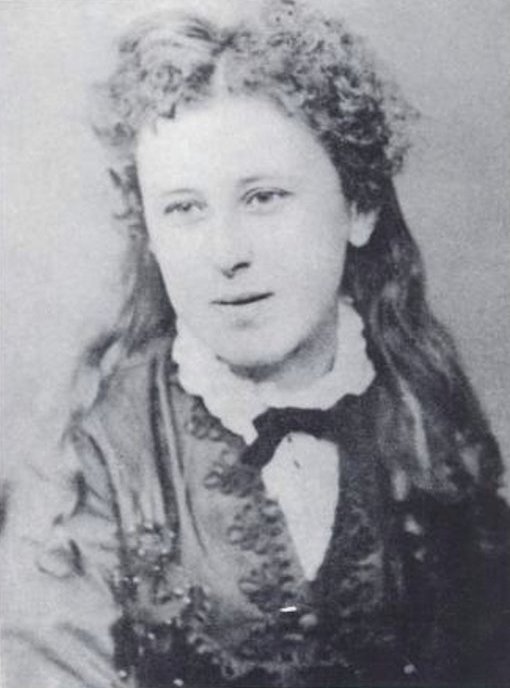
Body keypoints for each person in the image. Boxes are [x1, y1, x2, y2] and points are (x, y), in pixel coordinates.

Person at [1, 1, 509, 686]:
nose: (226, 253)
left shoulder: (424, 412)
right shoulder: (92, 451)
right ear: (150, 234)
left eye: (264, 197)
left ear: (358, 205)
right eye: (184, 208)